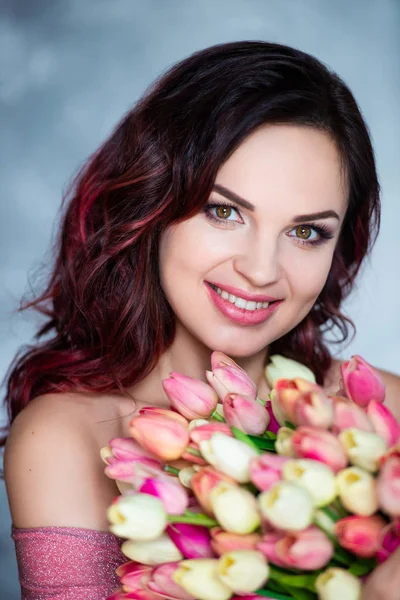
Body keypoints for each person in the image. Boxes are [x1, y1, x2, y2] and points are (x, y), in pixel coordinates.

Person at [2, 40, 400, 600]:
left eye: (306, 232)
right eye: (224, 211)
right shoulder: (70, 439)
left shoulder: (380, 416)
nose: (261, 270)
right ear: (153, 204)